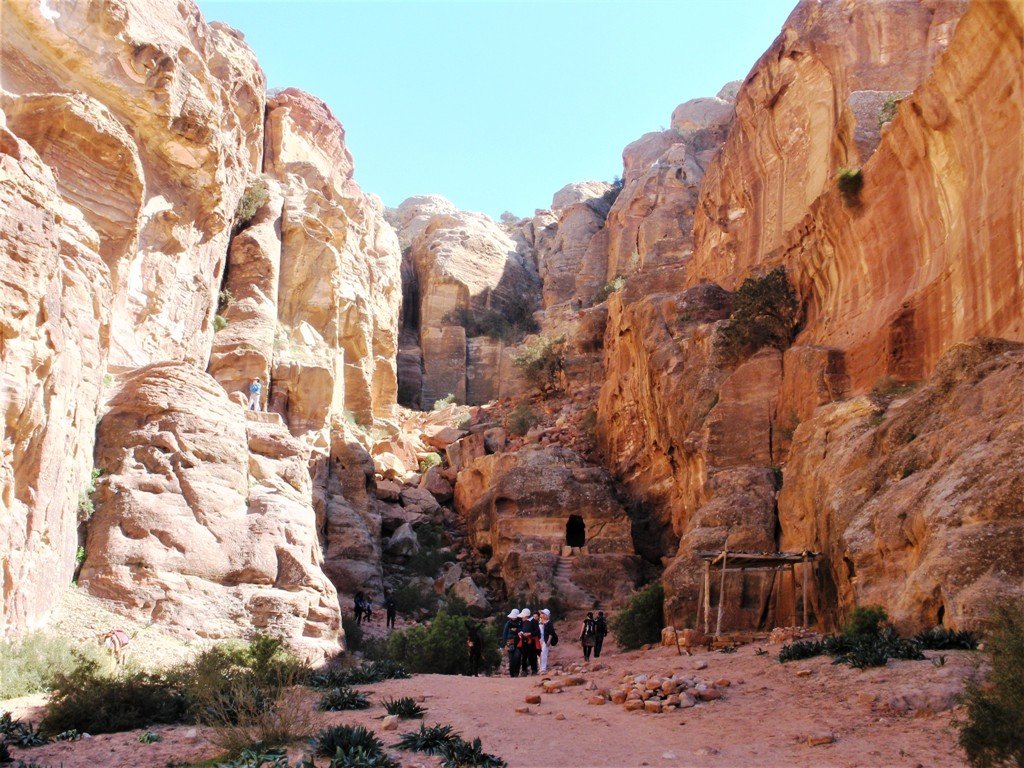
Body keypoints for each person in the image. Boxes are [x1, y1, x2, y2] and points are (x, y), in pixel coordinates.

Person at [502, 609, 523, 677]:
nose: (513, 618)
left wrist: (517, 630)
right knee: (511, 658)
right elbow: (505, 633)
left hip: (519, 641)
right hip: (510, 641)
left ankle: (516, 672)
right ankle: (512, 674)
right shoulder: (508, 623)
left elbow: (523, 630)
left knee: (518, 656)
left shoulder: (521, 622)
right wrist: (504, 644)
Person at [519, 608, 539, 676]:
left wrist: (530, 633)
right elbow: (522, 629)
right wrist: (521, 633)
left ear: (526, 616)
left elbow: (537, 632)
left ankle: (534, 670)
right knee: (524, 656)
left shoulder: (533, 621)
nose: (522, 617)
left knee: (532, 656)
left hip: (532, 641)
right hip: (524, 641)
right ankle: (524, 671)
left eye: (523, 616)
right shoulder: (523, 622)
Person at [538, 608, 558, 674]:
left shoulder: (549, 623)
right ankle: (540, 668)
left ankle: (543, 669)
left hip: (545, 640)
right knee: (539, 654)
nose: (542, 614)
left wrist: (549, 641)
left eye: (543, 613)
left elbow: (551, 633)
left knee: (544, 653)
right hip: (540, 640)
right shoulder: (540, 622)